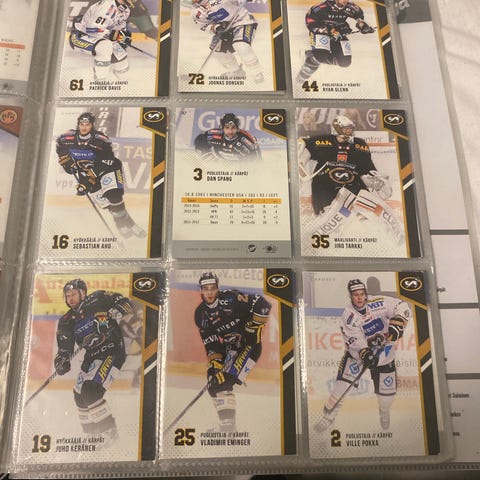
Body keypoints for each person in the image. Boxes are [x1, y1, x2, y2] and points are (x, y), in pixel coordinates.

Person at [314, 279, 411, 432]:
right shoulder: (348, 315)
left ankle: (384, 411)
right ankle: (328, 417)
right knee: (341, 387)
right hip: (358, 356)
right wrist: (364, 352)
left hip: (385, 355)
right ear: (350, 296)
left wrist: (398, 322)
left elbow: (401, 305)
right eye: (355, 295)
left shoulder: (379, 302)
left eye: (362, 294)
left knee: (387, 397)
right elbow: (354, 338)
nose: (359, 298)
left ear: (366, 294)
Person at [53, 279, 142, 440]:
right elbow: (65, 348)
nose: (70, 298)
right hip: (92, 356)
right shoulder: (66, 321)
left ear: (83, 293)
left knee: (91, 390)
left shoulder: (98, 298)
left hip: (112, 350)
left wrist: (117, 310)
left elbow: (123, 302)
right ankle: (91, 435)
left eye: (73, 294)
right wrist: (62, 360)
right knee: (79, 395)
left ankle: (109, 434)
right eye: (67, 295)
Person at [298, 114, 404, 241]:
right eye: (346, 128)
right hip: (326, 188)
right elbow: (302, 151)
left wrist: (376, 181)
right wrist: (301, 166)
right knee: (335, 218)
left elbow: (367, 171)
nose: (350, 131)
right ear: (337, 129)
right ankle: (314, 234)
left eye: (351, 128)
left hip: (354, 189)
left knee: (370, 207)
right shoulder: (322, 141)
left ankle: (397, 236)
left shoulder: (360, 145)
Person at [194, 272, 272, 432]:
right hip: (231, 348)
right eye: (206, 289)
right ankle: (227, 425)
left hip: (249, 347)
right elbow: (211, 342)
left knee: (225, 382)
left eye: (212, 288)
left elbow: (263, 304)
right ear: (201, 290)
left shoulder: (231, 298)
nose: (209, 292)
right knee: (213, 382)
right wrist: (215, 364)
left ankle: (228, 428)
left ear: (218, 288)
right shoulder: (200, 314)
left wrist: (255, 328)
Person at [56, 112, 145, 238]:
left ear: (92, 125)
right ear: (78, 124)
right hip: (86, 172)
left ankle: (126, 225)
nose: (84, 127)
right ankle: (126, 223)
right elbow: (60, 146)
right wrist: (66, 162)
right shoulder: (66, 138)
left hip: (108, 169)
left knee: (114, 196)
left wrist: (88, 179)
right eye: (82, 124)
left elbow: (108, 159)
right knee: (108, 205)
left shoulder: (100, 140)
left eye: (87, 124)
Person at [296, 0, 375, 83]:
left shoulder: (352, 7)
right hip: (320, 32)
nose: (345, 1)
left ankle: (313, 56)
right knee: (321, 55)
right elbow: (309, 21)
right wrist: (327, 30)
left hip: (338, 33)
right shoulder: (321, 7)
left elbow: (359, 18)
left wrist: (363, 26)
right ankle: (301, 78)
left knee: (345, 62)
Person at [191, 0, 264, 83]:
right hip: (225, 29)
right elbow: (204, 25)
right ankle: (235, 71)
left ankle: (256, 72)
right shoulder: (195, 11)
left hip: (242, 21)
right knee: (216, 50)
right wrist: (217, 28)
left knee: (241, 45)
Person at [69, 0, 135, 80]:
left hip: (101, 37)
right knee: (105, 46)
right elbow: (91, 29)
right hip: (80, 36)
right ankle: (100, 79)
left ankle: (124, 79)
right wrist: (113, 35)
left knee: (120, 54)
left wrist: (122, 38)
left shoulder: (125, 10)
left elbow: (118, 29)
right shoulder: (106, 6)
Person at [194, 113, 261, 160]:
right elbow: (200, 140)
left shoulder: (246, 140)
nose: (230, 131)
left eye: (233, 128)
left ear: (237, 128)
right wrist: (205, 154)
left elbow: (257, 161)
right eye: (227, 128)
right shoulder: (214, 134)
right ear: (222, 127)